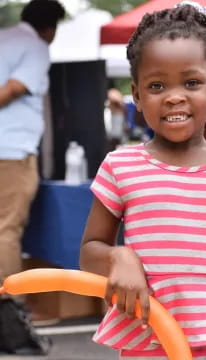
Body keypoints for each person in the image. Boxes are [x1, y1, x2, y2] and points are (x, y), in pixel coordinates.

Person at [79, 2, 206, 360]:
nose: (174, 96)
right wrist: (118, 257)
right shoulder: (119, 167)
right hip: (147, 347)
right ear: (137, 96)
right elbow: (89, 251)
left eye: (191, 82)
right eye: (156, 85)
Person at [0, 0, 65, 355]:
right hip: (11, 152)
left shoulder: (3, 39)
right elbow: (12, 90)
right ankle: (13, 313)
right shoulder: (36, 47)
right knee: (6, 230)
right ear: (51, 28)